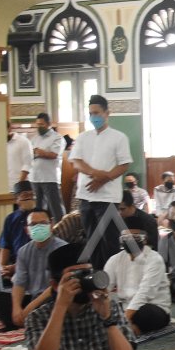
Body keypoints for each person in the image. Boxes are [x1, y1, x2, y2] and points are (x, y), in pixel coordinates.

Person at [71, 95, 132, 269]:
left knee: (109, 240)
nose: (93, 117)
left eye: (97, 113)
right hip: (85, 196)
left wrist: (104, 179)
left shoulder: (119, 137)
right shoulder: (83, 137)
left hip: (107, 198)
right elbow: (76, 161)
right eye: (90, 113)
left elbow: (124, 165)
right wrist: (95, 173)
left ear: (107, 113)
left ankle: (112, 278)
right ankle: (98, 277)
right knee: (91, 240)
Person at [0, 208, 66, 331]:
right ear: (27, 230)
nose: (38, 227)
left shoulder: (62, 249)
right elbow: (19, 284)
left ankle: (28, 320)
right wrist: (17, 309)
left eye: (43, 223)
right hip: (33, 297)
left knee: (56, 304)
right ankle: (25, 321)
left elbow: (56, 287)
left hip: (52, 298)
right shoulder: (24, 251)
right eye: (33, 224)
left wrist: (28, 309)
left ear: (51, 225)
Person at [104, 228, 172, 336]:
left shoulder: (155, 259)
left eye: (135, 237)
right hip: (125, 307)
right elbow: (104, 287)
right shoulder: (115, 259)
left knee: (144, 313)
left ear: (144, 240)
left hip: (152, 308)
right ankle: (129, 328)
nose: (130, 240)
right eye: (125, 237)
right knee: (105, 306)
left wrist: (125, 319)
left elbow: (145, 293)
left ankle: (126, 327)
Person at [0, 182, 36, 281]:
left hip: (33, 263)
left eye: (31, 195)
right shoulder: (10, 219)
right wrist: (2, 267)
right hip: (13, 263)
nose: (29, 198)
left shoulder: (40, 216)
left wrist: (16, 267)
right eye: (25, 195)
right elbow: (5, 247)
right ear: (16, 198)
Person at [30, 113, 66, 221]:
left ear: (49, 124)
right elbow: (30, 154)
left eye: (42, 124)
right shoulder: (35, 138)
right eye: (37, 124)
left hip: (50, 178)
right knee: (38, 209)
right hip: (35, 178)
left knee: (56, 208)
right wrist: (39, 153)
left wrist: (40, 153)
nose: (39, 127)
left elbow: (54, 154)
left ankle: (62, 231)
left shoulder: (57, 138)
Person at [5, 123, 32, 190]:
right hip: (3, 187)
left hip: (19, 186)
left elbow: (27, 164)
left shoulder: (23, 141)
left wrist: (19, 185)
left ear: (9, 129)